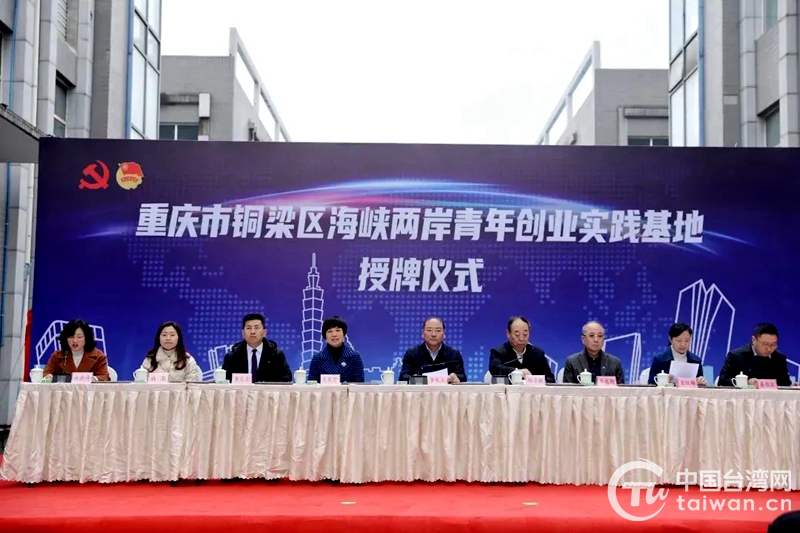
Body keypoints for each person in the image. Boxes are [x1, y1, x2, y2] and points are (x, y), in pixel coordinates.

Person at [221, 313, 291, 382]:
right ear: (243, 333)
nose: (252, 332)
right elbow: (223, 381)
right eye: (249, 328)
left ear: (264, 332)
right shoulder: (232, 356)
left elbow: (286, 378)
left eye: (257, 328)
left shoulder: (276, 355)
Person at [718, 323, 791, 386]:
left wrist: (792, 385)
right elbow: (722, 380)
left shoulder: (779, 358)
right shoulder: (736, 356)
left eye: (773, 344)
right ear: (754, 339)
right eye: (765, 344)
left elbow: (785, 383)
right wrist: (746, 382)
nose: (769, 349)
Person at [399, 316, 467, 383]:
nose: (433, 334)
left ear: (444, 334)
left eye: (438, 330)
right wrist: (417, 379)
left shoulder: (454, 355)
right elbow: (403, 377)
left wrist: (456, 378)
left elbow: (462, 377)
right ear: (423, 333)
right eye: (429, 330)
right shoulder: (411, 354)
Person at [489, 316, 555, 382]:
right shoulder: (499, 352)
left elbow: (550, 378)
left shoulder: (538, 354)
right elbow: (494, 368)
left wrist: (538, 381)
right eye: (517, 335)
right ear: (508, 334)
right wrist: (517, 372)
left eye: (525, 334)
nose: (521, 339)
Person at [42, 319, 110, 381]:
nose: (75, 341)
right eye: (71, 337)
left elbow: (104, 376)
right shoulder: (56, 356)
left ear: (86, 338)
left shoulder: (99, 356)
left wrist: (94, 379)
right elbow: (47, 373)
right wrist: (48, 377)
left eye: (79, 337)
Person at [308, 316, 364, 383]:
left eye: (338, 330)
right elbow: (311, 385)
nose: (334, 334)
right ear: (325, 336)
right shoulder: (317, 358)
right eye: (330, 331)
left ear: (344, 334)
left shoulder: (355, 357)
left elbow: (359, 385)